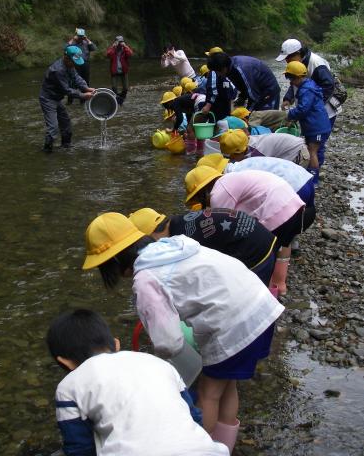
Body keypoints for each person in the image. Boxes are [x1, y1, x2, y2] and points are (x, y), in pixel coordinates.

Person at [83, 213, 285, 454]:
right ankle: (225, 447)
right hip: (260, 305)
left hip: (234, 325)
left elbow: (169, 343)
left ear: (115, 260)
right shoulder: (177, 244)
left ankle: (202, 450)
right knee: (227, 384)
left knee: (208, 394)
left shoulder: (146, 278)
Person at [47, 308, 228, 456]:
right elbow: (194, 417)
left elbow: (80, 447)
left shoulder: (69, 386)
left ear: (65, 361)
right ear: (116, 345)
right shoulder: (158, 363)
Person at [184, 166, 316, 295]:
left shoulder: (218, 193)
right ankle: (278, 286)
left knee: (262, 252)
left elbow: (221, 230)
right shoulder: (231, 180)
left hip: (276, 211)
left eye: (199, 200)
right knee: (279, 247)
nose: (204, 205)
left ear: (203, 192)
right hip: (293, 206)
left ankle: (261, 294)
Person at [129, 207, 277, 287]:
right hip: (262, 236)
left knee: (249, 291)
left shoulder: (184, 239)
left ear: (152, 234)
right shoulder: (180, 222)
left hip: (255, 249)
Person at [276, 38, 340, 169]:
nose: (287, 61)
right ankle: (311, 170)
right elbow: (294, 83)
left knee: (316, 147)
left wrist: (313, 106)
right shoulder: (298, 69)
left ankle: (314, 175)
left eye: (288, 58)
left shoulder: (316, 63)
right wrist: (288, 98)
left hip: (324, 111)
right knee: (311, 143)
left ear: (298, 53)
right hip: (310, 111)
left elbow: (329, 85)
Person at [39, 45, 95, 153]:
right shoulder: (58, 70)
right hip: (48, 99)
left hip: (57, 98)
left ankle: (66, 147)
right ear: (66, 57)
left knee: (66, 124)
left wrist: (86, 87)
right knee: (53, 128)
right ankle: (47, 152)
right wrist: (83, 95)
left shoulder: (70, 65)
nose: (74, 65)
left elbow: (76, 78)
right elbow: (67, 90)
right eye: (73, 62)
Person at [283, 61, 332, 185]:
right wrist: (293, 118)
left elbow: (303, 109)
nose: (290, 81)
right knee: (313, 150)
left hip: (317, 127)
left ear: (299, 77)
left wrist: (289, 115)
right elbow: (305, 110)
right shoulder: (308, 85)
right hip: (315, 125)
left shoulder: (307, 90)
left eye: (291, 78)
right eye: (287, 77)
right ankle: (313, 176)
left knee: (312, 152)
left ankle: (313, 181)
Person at [207, 52, 280, 111]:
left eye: (217, 71)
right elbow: (243, 86)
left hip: (269, 92)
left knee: (266, 121)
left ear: (223, 68)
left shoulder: (241, 69)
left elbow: (253, 96)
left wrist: (248, 113)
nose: (217, 74)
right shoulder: (230, 69)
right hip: (257, 93)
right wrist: (242, 97)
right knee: (254, 119)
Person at [219, 128, 310, 166]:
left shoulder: (257, 152)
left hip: (299, 152)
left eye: (232, 156)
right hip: (289, 150)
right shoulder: (245, 142)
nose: (231, 159)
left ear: (240, 151)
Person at [201, 54, 237, 122]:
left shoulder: (213, 72)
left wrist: (208, 104)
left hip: (218, 104)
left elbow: (212, 89)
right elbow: (233, 89)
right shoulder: (226, 71)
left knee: (216, 121)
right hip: (226, 103)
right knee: (225, 122)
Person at [106, 35, 133, 105]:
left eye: (121, 41)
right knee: (114, 88)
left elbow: (130, 54)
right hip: (114, 71)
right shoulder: (113, 49)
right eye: (119, 42)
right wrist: (113, 47)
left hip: (124, 70)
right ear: (115, 42)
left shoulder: (125, 49)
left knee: (126, 88)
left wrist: (125, 46)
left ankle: (120, 100)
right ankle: (116, 100)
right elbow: (108, 55)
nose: (120, 43)